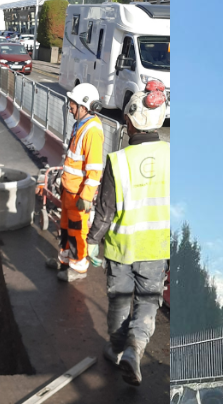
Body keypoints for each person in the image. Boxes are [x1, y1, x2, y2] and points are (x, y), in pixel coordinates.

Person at [88, 81, 169, 385]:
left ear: (130, 121)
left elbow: (105, 210)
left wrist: (92, 241)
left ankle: (117, 348)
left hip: (121, 249)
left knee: (120, 301)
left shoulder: (118, 161)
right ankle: (135, 349)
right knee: (148, 301)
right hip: (156, 249)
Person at [48, 83, 104, 281]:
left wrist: (86, 196)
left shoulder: (92, 131)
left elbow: (94, 168)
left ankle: (78, 267)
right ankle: (64, 259)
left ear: (84, 106)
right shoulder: (80, 125)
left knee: (77, 231)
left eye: (72, 104)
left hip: (78, 195)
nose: (70, 107)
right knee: (65, 228)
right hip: (69, 191)